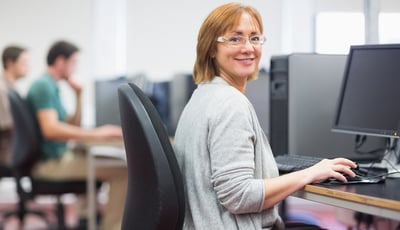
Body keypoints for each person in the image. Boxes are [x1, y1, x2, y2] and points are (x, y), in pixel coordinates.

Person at [173, 3, 357, 230]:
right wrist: (310, 173)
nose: (248, 48)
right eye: (235, 39)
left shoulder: (202, 95)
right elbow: (239, 196)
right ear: (211, 48)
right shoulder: (230, 104)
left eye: (255, 38)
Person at [26, 40, 126, 230]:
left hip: (58, 157)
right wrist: (96, 134)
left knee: (102, 159)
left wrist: (79, 95)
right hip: (50, 164)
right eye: (74, 62)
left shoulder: (51, 86)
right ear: (61, 61)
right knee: (124, 171)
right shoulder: (43, 86)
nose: (76, 68)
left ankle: (86, 220)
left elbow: (71, 126)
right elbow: (51, 130)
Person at [0, 46, 29, 166]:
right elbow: (10, 126)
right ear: (10, 63)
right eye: (24, 63)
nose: (28, 67)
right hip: (7, 152)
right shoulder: (2, 90)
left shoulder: (12, 88)